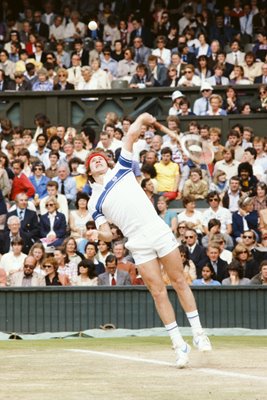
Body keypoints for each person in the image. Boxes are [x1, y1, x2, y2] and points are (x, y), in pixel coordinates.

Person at [86, 112, 212, 369]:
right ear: (89, 171)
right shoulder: (93, 202)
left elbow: (133, 132)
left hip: (158, 230)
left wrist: (146, 118)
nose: (98, 160)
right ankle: (179, 344)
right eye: (93, 161)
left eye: (101, 158)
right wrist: (97, 235)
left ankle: (199, 333)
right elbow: (110, 234)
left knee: (178, 281)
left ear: (108, 162)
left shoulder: (121, 167)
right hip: (137, 242)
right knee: (157, 292)